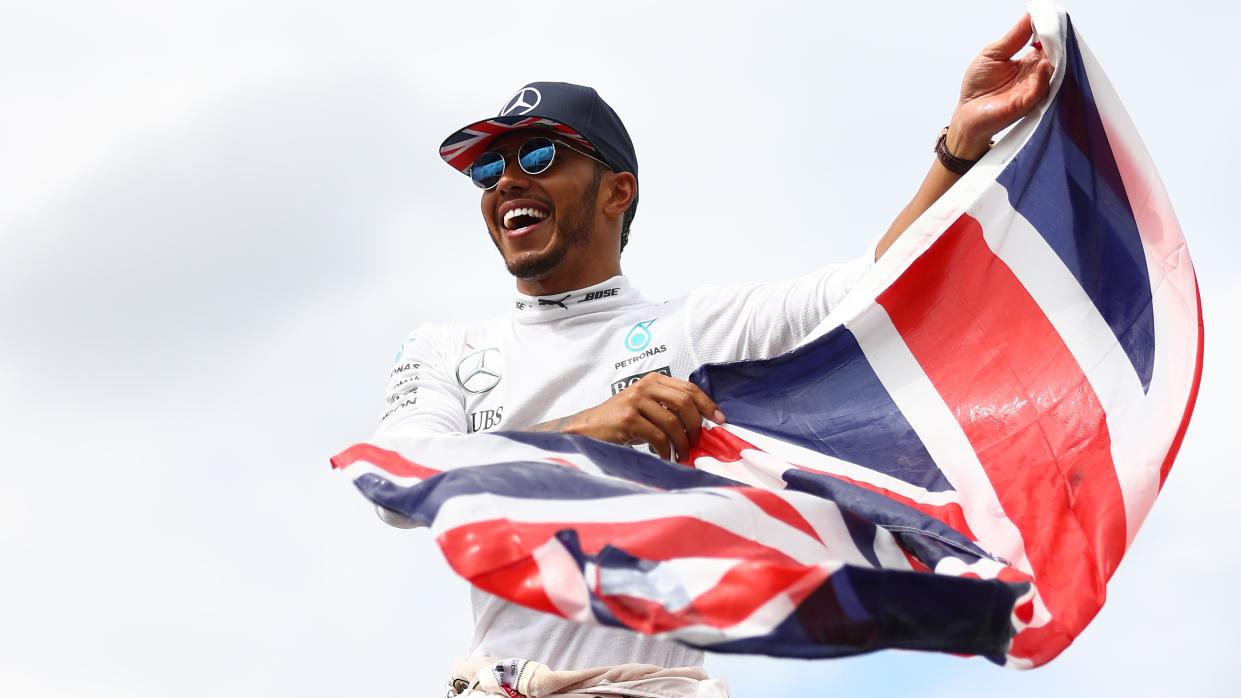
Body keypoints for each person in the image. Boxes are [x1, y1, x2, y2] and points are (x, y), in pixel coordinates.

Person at [373, 14, 1051, 695]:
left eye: (539, 158)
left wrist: (960, 143)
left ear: (617, 191)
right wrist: (589, 428)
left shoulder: (696, 328)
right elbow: (399, 486)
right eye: (488, 169)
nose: (506, 182)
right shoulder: (444, 349)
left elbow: (876, 286)